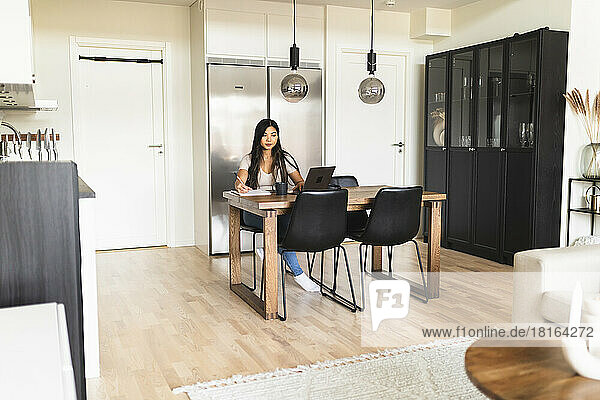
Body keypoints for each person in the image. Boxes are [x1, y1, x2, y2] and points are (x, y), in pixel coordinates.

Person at [235, 119, 320, 292]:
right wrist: (239, 185)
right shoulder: (249, 159)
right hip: (254, 212)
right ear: (258, 137)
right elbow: (240, 178)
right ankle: (298, 274)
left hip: (280, 211)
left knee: (287, 224)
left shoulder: (284, 158)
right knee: (281, 227)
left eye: (273, 135)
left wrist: (300, 185)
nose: (269, 139)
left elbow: (299, 181)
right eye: (265, 135)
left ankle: (270, 249)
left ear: (277, 137)